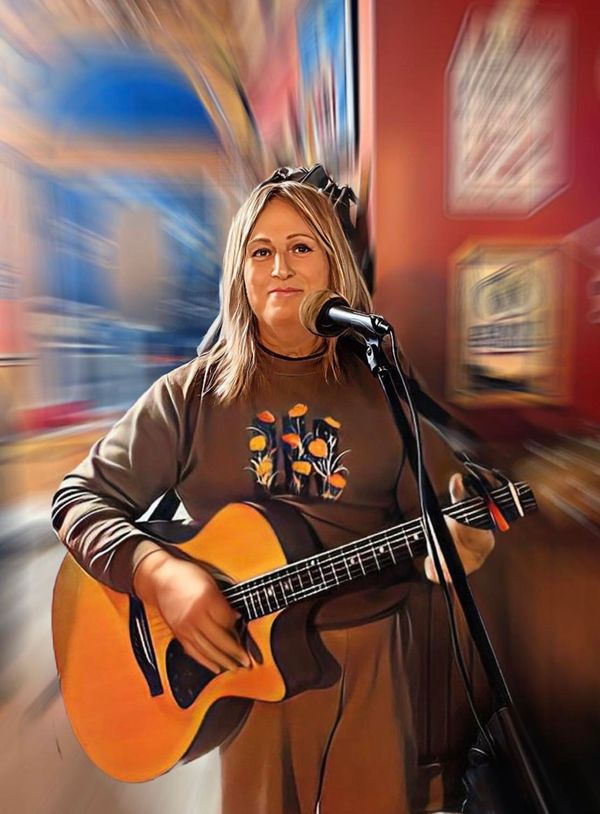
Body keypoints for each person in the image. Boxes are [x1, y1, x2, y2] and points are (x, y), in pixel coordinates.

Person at [51, 169, 494, 814]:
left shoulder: (382, 387)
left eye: (301, 247)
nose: (280, 266)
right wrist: (158, 574)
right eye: (260, 251)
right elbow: (78, 499)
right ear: (241, 274)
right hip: (245, 674)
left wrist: (463, 540)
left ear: (334, 266)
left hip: (372, 669)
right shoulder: (189, 397)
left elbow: (451, 504)